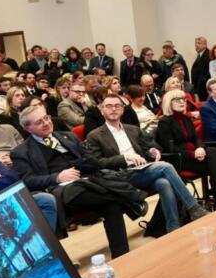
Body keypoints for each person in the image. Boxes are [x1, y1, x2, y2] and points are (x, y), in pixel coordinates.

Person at [11, 104, 143, 257]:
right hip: (61, 189)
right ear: (28, 128)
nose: (46, 123)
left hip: (87, 180)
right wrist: (57, 177)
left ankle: (121, 255)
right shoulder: (21, 152)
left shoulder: (68, 136)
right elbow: (28, 180)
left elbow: (92, 160)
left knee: (111, 204)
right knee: (103, 190)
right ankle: (133, 197)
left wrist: (82, 164)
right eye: (39, 122)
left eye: (46, 118)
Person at [84, 94, 208, 233]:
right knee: (165, 167)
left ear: (123, 110)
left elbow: (149, 147)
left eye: (117, 106)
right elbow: (97, 163)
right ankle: (193, 207)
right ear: (102, 111)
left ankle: (173, 228)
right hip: (118, 176)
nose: (113, 109)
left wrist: (152, 151)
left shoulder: (133, 129)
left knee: (164, 183)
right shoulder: (95, 135)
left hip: (140, 171)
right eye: (109, 106)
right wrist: (124, 158)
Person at [156, 89, 216, 207]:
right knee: (215, 163)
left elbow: (196, 138)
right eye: (177, 100)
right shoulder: (164, 122)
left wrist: (200, 148)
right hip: (181, 159)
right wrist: (192, 154)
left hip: (196, 154)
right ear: (169, 102)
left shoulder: (185, 118)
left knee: (215, 152)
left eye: (183, 99)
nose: (182, 102)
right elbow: (170, 148)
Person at [191, 36, 212, 101]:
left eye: (199, 43)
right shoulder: (199, 55)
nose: (196, 45)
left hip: (204, 90)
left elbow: (207, 75)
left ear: (205, 44)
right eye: (196, 44)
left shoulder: (209, 55)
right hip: (199, 89)